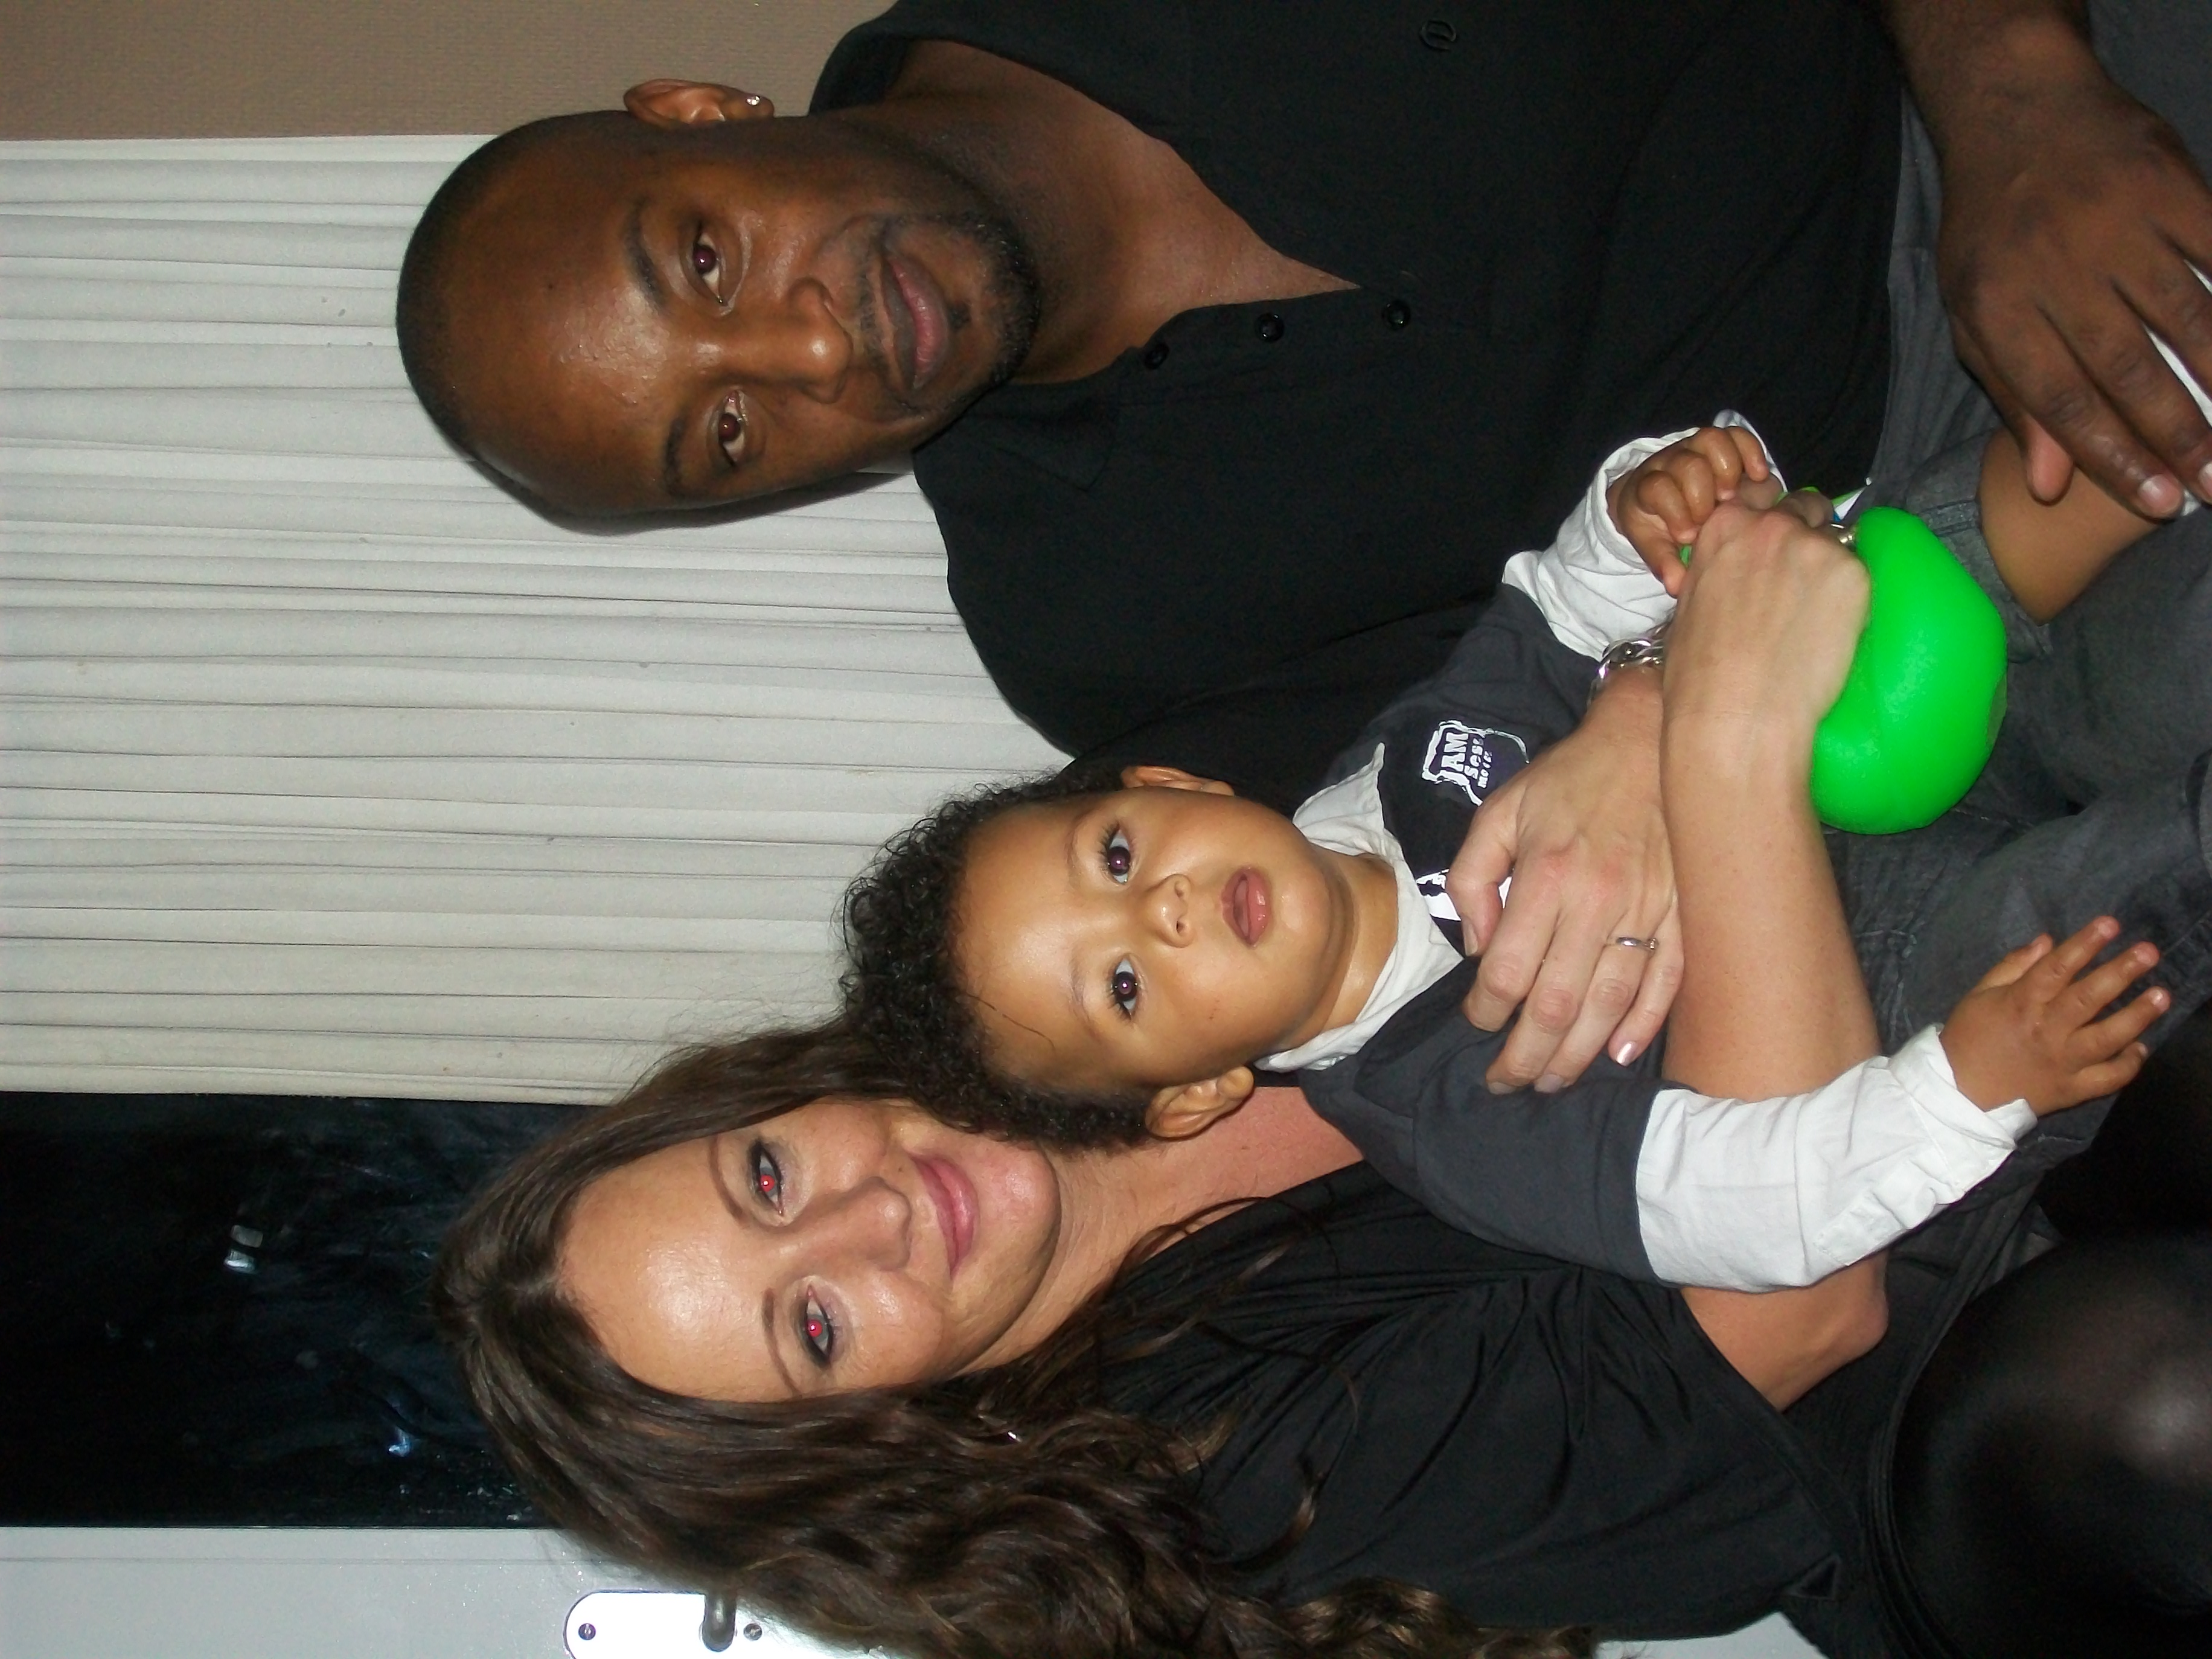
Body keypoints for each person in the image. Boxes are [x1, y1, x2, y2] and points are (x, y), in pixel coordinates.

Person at [435, 502, 2212, 1658]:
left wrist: (1637, 708)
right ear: (869, 1440)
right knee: (2129, 1387)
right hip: (1912, 1358)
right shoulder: (1215, 1475)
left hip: (1873, 881)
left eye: (767, 1179)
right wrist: (1718, 752)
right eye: (815, 1326)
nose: (870, 1217)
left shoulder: (1070, 924)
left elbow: (1518, 663)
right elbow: (1802, 1306)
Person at [393, 0, 2212, 1105]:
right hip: (1873, 632)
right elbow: (1457, 851)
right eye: (726, 437)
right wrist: (1646, 729)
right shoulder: (1094, 629)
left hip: (1968, 111)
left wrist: (2013, 97)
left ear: (702, 115)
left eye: (704, 260)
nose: (810, 352)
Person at [834, 421, 2187, 1290]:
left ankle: (2168, 415)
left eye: (1119, 857)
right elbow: (1742, 1210)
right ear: (1196, 1095)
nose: (1167, 911)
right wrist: (1968, 1090)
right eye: (1123, 987)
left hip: (1876, 689)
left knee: (1959, 526)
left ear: (1171, 784)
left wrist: (1646, 496)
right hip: (1891, 972)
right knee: (2099, 921)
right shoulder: (1444, 1112)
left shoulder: (1391, 770)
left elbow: (1558, 603)